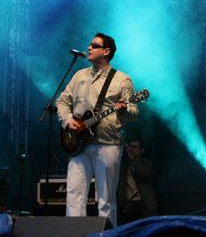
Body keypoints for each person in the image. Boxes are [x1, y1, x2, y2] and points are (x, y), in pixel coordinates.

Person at [56, 33, 138, 227]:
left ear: (106, 51)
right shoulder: (79, 75)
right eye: (90, 44)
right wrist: (68, 121)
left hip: (107, 145)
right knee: (74, 196)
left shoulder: (122, 79)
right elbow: (62, 101)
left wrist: (124, 110)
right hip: (78, 146)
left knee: (105, 200)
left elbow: (134, 112)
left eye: (94, 45)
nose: (89, 48)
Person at [117, 138, 158, 224]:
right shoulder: (123, 164)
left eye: (135, 147)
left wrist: (133, 159)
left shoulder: (147, 163)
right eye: (130, 147)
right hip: (128, 202)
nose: (131, 149)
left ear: (141, 150)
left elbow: (144, 174)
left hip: (145, 202)